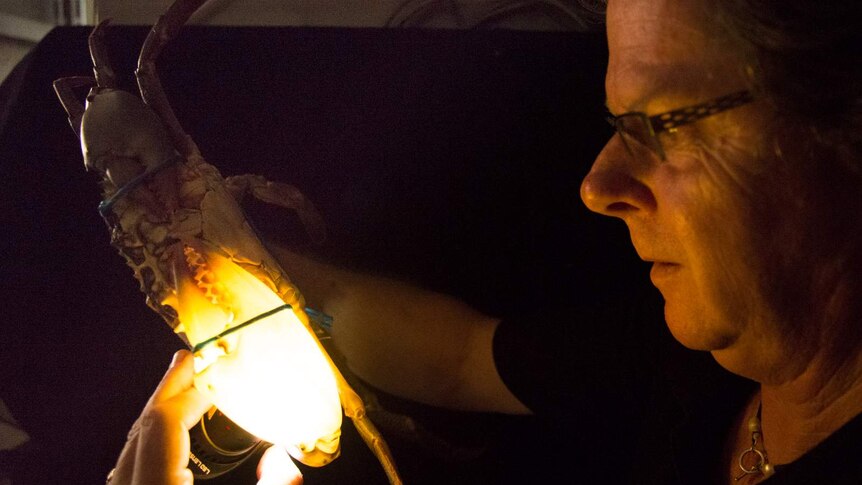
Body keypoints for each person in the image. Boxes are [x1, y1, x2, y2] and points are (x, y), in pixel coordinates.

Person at [113, 0, 862, 483]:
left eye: (665, 121)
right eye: (613, 126)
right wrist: (221, 266)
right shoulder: (688, 357)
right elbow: (456, 354)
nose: (598, 187)